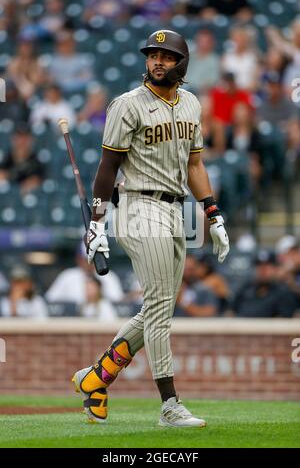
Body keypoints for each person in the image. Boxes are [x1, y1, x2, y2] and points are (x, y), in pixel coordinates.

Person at [72, 30, 229, 427]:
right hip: (139, 206)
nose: (158, 61)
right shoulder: (127, 105)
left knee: (157, 308)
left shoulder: (191, 104)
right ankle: (169, 405)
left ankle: (96, 377)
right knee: (160, 308)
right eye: (152, 55)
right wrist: (97, 224)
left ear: (183, 63)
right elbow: (107, 168)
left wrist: (213, 214)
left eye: (167, 56)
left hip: (175, 210)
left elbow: (195, 165)